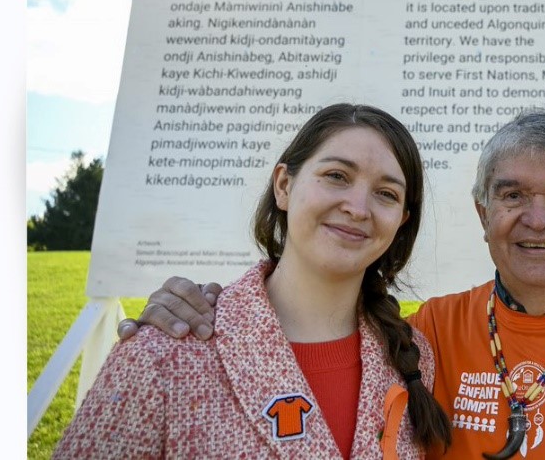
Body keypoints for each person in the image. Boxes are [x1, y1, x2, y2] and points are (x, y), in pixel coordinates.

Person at [123, 107, 545, 459]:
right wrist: (192, 312)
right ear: (484, 214)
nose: (536, 218)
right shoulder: (424, 335)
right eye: (512, 194)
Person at [56, 104, 451, 459]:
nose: (358, 207)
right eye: (336, 175)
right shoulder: (162, 354)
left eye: (385, 193)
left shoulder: (413, 358)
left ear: (400, 221)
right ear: (284, 185)